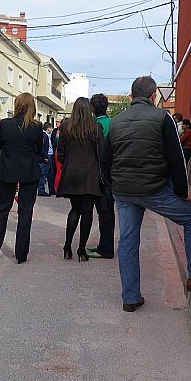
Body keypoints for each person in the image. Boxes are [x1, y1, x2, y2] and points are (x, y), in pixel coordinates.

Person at [101, 76, 191, 312]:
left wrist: (113, 185)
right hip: (153, 189)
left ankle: (130, 298)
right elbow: (176, 159)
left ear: (131, 97)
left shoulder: (116, 121)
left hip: (124, 191)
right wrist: (181, 192)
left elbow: (105, 159)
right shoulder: (162, 117)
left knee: (128, 241)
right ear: (153, 97)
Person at [0, 93, 43, 263]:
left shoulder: (5, 124)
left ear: (17, 105)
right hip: (29, 171)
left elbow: (1, 146)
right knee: (25, 212)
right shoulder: (36, 126)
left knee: (2, 209)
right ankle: (21, 254)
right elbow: (38, 149)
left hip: (8, 170)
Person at [57, 97, 105, 262]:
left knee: (74, 210)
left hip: (72, 173)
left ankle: (67, 245)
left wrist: (68, 164)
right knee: (87, 212)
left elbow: (61, 153)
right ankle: (81, 249)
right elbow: (102, 154)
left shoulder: (65, 127)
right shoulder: (95, 128)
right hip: (90, 174)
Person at [88, 93, 115, 259]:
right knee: (106, 212)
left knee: (104, 213)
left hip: (97, 173)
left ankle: (106, 249)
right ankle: (103, 245)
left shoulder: (93, 125)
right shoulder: (113, 123)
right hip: (111, 173)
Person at [37, 122, 54, 196]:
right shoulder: (44, 136)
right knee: (43, 174)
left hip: (49, 156)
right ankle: (41, 190)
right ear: (48, 128)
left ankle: (52, 190)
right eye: (51, 128)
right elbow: (42, 148)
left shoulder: (47, 136)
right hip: (45, 158)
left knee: (50, 174)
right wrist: (45, 157)